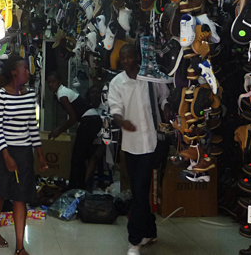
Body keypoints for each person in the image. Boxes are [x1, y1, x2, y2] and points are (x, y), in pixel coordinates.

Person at [108, 44, 171, 255]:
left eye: (129, 57)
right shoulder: (117, 83)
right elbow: (115, 109)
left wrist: (166, 107)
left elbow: (164, 95)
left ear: (137, 57)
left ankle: (134, 240)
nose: (125, 61)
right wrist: (121, 122)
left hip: (152, 143)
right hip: (131, 145)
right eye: (122, 58)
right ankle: (149, 230)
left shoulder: (150, 77)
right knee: (139, 191)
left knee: (140, 190)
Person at [0, 55, 47, 254]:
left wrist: (39, 154)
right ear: (14, 72)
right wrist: (6, 156)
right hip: (2, 150)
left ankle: (20, 247)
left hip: (23, 151)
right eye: (25, 69)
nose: (28, 73)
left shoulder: (30, 96)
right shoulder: (1, 96)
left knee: (21, 197)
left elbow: (32, 127)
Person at [46, 73, 103, 190]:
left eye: (53, 81)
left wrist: (59, 130)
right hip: (91, 121)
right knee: (80, 156)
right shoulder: (63, 92)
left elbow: (73, 117)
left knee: (77, 157)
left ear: (59, 81)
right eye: (49, 82)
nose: (51, 84)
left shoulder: (62, 94)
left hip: (89, 121)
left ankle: (74, 187)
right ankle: (80, 186)